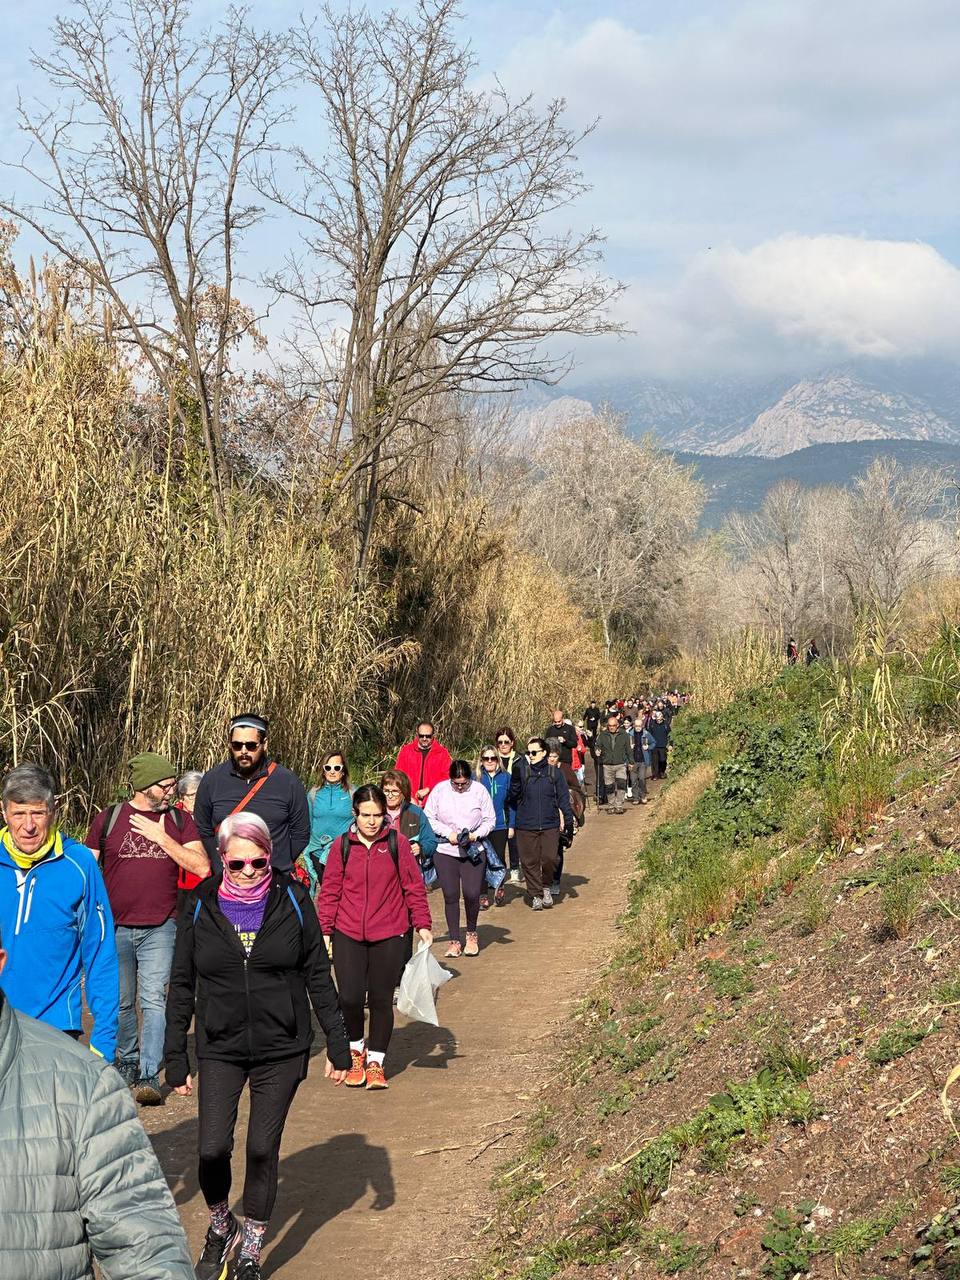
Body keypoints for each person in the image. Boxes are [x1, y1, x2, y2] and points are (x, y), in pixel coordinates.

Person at [165, 812, 350, 1280]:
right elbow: (182, 982)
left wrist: (338, 1042)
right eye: (238, 864)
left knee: (263, 1148)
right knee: (211, 1149)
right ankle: (222, 1225)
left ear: (270, 858)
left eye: (259, 862)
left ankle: (250, 1246)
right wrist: (174, 1055)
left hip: (281, 1047)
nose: (249, 871)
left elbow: (316, 974)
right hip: (220, 1044)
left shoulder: (292, 898)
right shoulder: (200, 905)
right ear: (222, 860)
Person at [0, 933, 194, 1279]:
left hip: (61, 1037)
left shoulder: (86, 1088)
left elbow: (144, 1249)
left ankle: (148, 1070)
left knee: (149, 999)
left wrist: (104, 1039)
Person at [86, 752, 209, 1105]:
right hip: (116, 927)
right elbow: (86, 871)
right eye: (166, 785)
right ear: (144, 786)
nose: (172, 790)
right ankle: (127, 1059)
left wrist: (162, 838)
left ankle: (148, 1073)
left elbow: (201, 867)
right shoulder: (108, 819)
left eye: (173, 784)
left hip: (161, 927)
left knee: (154, 999)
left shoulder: (178, 821)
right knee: (122, 1001)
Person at [0, 763, 118, 1059]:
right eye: (19, 813)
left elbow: (100, 953)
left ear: (52, 812)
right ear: (4, 813)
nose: (28, 825)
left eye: (37, 813)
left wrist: (103, 1039)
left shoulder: (78, 864)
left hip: (55, 1026)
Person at [318, 785, 433, 1089]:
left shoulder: (398, 843)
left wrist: (422, 924)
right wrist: (325, 931)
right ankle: (356, 1051)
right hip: (348, 932)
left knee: (381, 999)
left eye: (377, 815)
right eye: (365, 815)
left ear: (385, 815)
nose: (371, 821)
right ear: (354, 814)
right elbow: (329, 891)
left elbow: (413, 887)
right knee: (350, 997)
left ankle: (376, 1062)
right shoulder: (342, 846)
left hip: (390, 932)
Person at [194, 713, 310, 874]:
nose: (243, 751)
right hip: (228, 879)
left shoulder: (288, 781)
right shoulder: (212, 780)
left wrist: (279, 862)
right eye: (237, 745)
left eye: (251, 745)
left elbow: (301, 833)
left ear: (264, 744)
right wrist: (218, 863)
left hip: (273, 879)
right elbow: (203, 829)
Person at [424, 761, 496, 957]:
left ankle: (471, 933)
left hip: (473, 848)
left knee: (472, 893)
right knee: (450, 894)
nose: (460, 787)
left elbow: (490, 819)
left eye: (464, 783)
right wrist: (448, 833)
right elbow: (428, 817)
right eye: (456, 783)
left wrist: (475, 835)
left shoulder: (480, 791)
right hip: (446, 849)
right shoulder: (440, 790)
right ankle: (454, 940)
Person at [507, 738, 574, 910]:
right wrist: (515, 779)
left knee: (550, 858)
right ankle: (535, 894)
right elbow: (512, 798)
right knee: (529, 861)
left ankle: (545, 886)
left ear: (544, 753)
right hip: (525, 825)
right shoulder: (522, 772)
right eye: (528, 753)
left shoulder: (555, 773)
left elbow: (563, 799)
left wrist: (568, 822)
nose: (530, 755)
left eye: (534, 752)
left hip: (549, 824)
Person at [299, 749, 354, 894]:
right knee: (328, 894)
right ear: (323, 771)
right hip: (317, 852)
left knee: (344, 894)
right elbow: (308, 823)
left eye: (337, 767)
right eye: (328, 767)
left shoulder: (353, 794)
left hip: (344, 853)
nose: (332, 771)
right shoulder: (313, 794)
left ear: (343, 771)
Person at [546, 745, 584, 897]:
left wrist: (573, 816)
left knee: (557, 850)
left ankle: (555, 880)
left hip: (562, 815)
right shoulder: (538, 771)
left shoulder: (565, 770)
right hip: (544, 816)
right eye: (548, 756)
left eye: (554, 756)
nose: (551, 759)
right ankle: (543, 881)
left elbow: (577, 791)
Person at [477, 745, 512, 909]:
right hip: (479, 827)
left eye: (493, 758)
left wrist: (511, 825)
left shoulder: (506, 777)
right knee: (481, 860)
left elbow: (512, 804)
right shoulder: (475, 778)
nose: (490, 761)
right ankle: (482, 894)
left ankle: (499, 888)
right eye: (486, 758)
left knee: (498, 859)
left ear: (498, 759)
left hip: (500, 825)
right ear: (481, 761)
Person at [395, 720, 452, 806]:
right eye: (421, 736)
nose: (424, 738)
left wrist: (429, 789)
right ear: (417, 734)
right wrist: (409, 796)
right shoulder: (406, 751)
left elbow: (446, 777)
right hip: (409, 800)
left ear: (433, 735)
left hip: (434, 800)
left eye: (428, 736)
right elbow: (398, 775)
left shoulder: (442, 753)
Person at [493, 727, 522, 883]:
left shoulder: (519, 759)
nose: (503, 745)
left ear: (512, 743)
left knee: (513, 839)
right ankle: (497, 870)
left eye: (506, 741)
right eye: (500, 742)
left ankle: (515, 869)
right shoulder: (491, 758)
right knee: (496, 841)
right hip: (497, 804)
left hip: (514, 803)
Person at [176, 769, 207, 899]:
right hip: (180, 883)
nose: (196, 799)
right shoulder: (172, 817)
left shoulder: (209, 815)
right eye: (192, 795)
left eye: (200, 794)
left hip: (206, 879)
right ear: (182, 796)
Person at [594, 713, 631, 815]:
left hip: (620, 764)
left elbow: (628, 749)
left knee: (621, 784)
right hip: (607, 764)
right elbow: (597, 746)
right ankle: (611, 805)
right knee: (609, 786)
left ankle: (619, 805)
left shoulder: (624, 735)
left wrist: (631, 762)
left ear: (617, 725)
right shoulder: (602, 735)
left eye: (613, 726)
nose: (611, 728)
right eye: (609, 726)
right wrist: (597, 750)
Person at [648, 709, 670, 779]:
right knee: (655, 761)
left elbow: (670, 735)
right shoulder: (652, 724)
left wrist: (671, 744)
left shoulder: (666, 724)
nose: (658, 719)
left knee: (663, 760)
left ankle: (662, 772)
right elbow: (649, 734)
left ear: (662, 717)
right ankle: (655, 775)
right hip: (654, 745)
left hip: (663, 745)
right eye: (657, 717)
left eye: (659, 717)